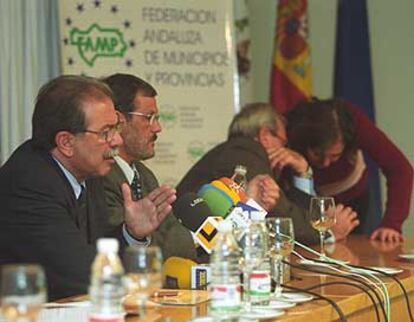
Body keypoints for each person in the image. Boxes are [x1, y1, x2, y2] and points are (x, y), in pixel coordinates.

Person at [0, 76, 176, 300]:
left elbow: (97, 254)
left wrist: (130, 233)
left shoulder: (89, 171)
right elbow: (81, 275)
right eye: (105, 133)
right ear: (66, 142)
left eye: (117, 128)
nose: (117, 141)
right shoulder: (28, 185)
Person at [101, 74, 280, 261]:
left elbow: (174, 236)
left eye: (158, 118)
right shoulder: (103, 178)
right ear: (119, 122)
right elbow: (149, 249)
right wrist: (201, 238)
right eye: (149, 118)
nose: (158, 128)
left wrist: (247, 207)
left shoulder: (144, 175)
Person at [177, 102, 359, 244]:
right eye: (283, 141)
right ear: (265, 135)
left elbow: (288, 208)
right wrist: (327, 231)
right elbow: (276, 215)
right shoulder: (246, 153)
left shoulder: (238, 152)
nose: (285, 149)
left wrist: (303, 172)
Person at [286, 98, 413, 242]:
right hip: (303, 203)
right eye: (317, 154)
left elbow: (400, 169)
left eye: (335, 156)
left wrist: (392, 224)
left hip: (355, 202)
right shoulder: (293, 127)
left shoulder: (353, 121)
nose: (325, 163)